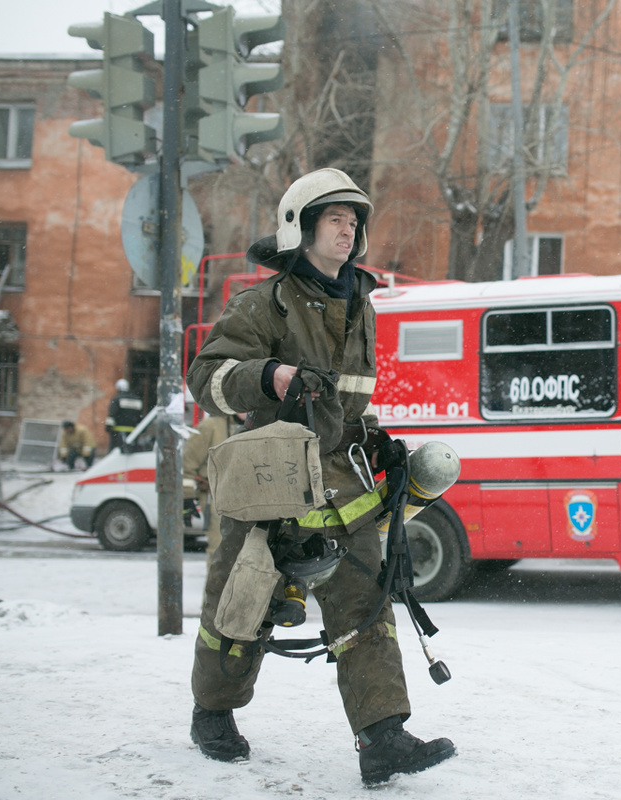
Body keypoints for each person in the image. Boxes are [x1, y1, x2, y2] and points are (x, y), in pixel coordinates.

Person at [183, 168, 455, 785]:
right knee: (241, 605)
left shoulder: (361, 303)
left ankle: (383, 737)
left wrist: (376, 436)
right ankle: (214, 713)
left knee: (365, 605)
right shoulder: (263, 304)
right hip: (271, 479)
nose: (348, 227)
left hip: (346, 482)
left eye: (353, 220)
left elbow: (348, 400)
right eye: (335, 217)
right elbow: (206, 379)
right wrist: (270, 376)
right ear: (300, 227)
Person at [181, 412, 246, 564]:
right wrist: (187, 497)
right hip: (217, 498)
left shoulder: (258, 423)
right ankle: (216, 588)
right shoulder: (211, 425)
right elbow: (188, 462)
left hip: (248, 500)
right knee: (221, 553)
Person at [105, 379, 144, 452]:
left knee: (116, 452)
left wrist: (108, 427)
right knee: (131, 452)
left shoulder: (117, 399)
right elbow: (140, 416)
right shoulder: (137, 399)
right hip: (133, 433)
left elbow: (112, 415)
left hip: (118, 433)